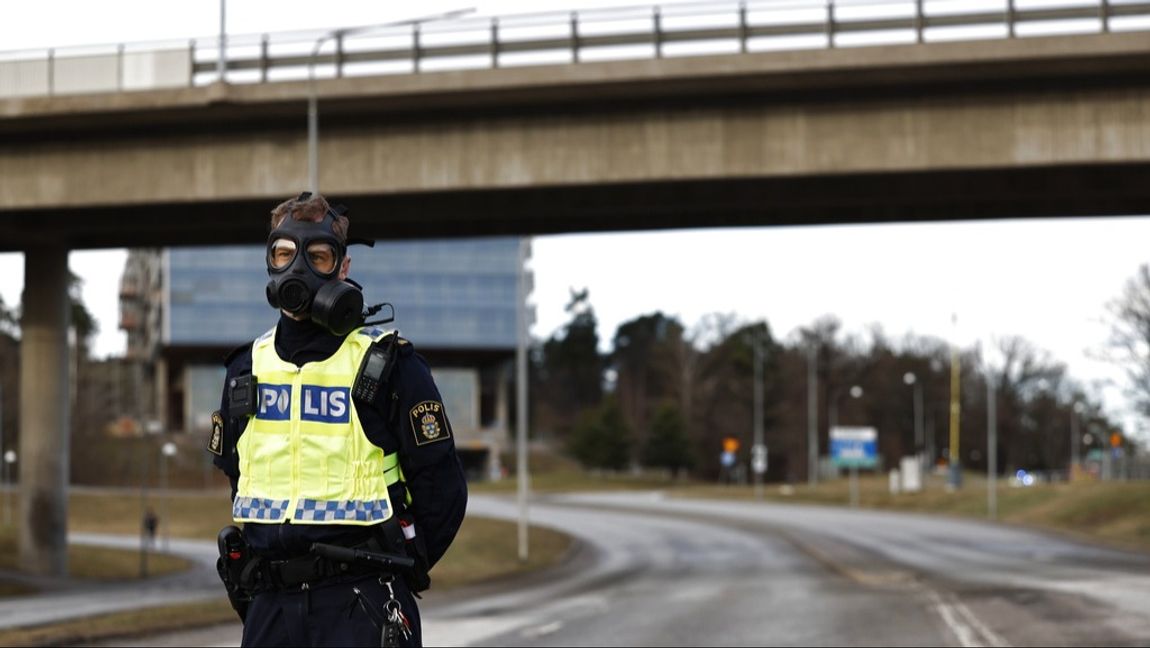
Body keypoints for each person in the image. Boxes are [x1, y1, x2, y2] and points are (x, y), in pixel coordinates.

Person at [207, 192, 468, 647]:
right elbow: (239, 481)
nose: (297, 269)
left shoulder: (389, 367)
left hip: (362, 603)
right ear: (269, 261)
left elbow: (442, 491)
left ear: (342, 268)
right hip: (271, 608)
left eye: (318, 256)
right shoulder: (244, 369)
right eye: (284, 254)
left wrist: (400, 568)